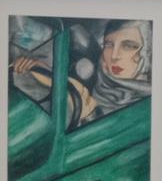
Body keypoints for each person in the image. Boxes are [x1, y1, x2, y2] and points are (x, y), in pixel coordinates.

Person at [11, 19, 153, 128]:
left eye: (128, 46)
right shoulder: (90, 80)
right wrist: (47, 73)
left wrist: (89, 115)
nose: (114, 56)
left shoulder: (151, 107)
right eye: (108, 45)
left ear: (147, 52)